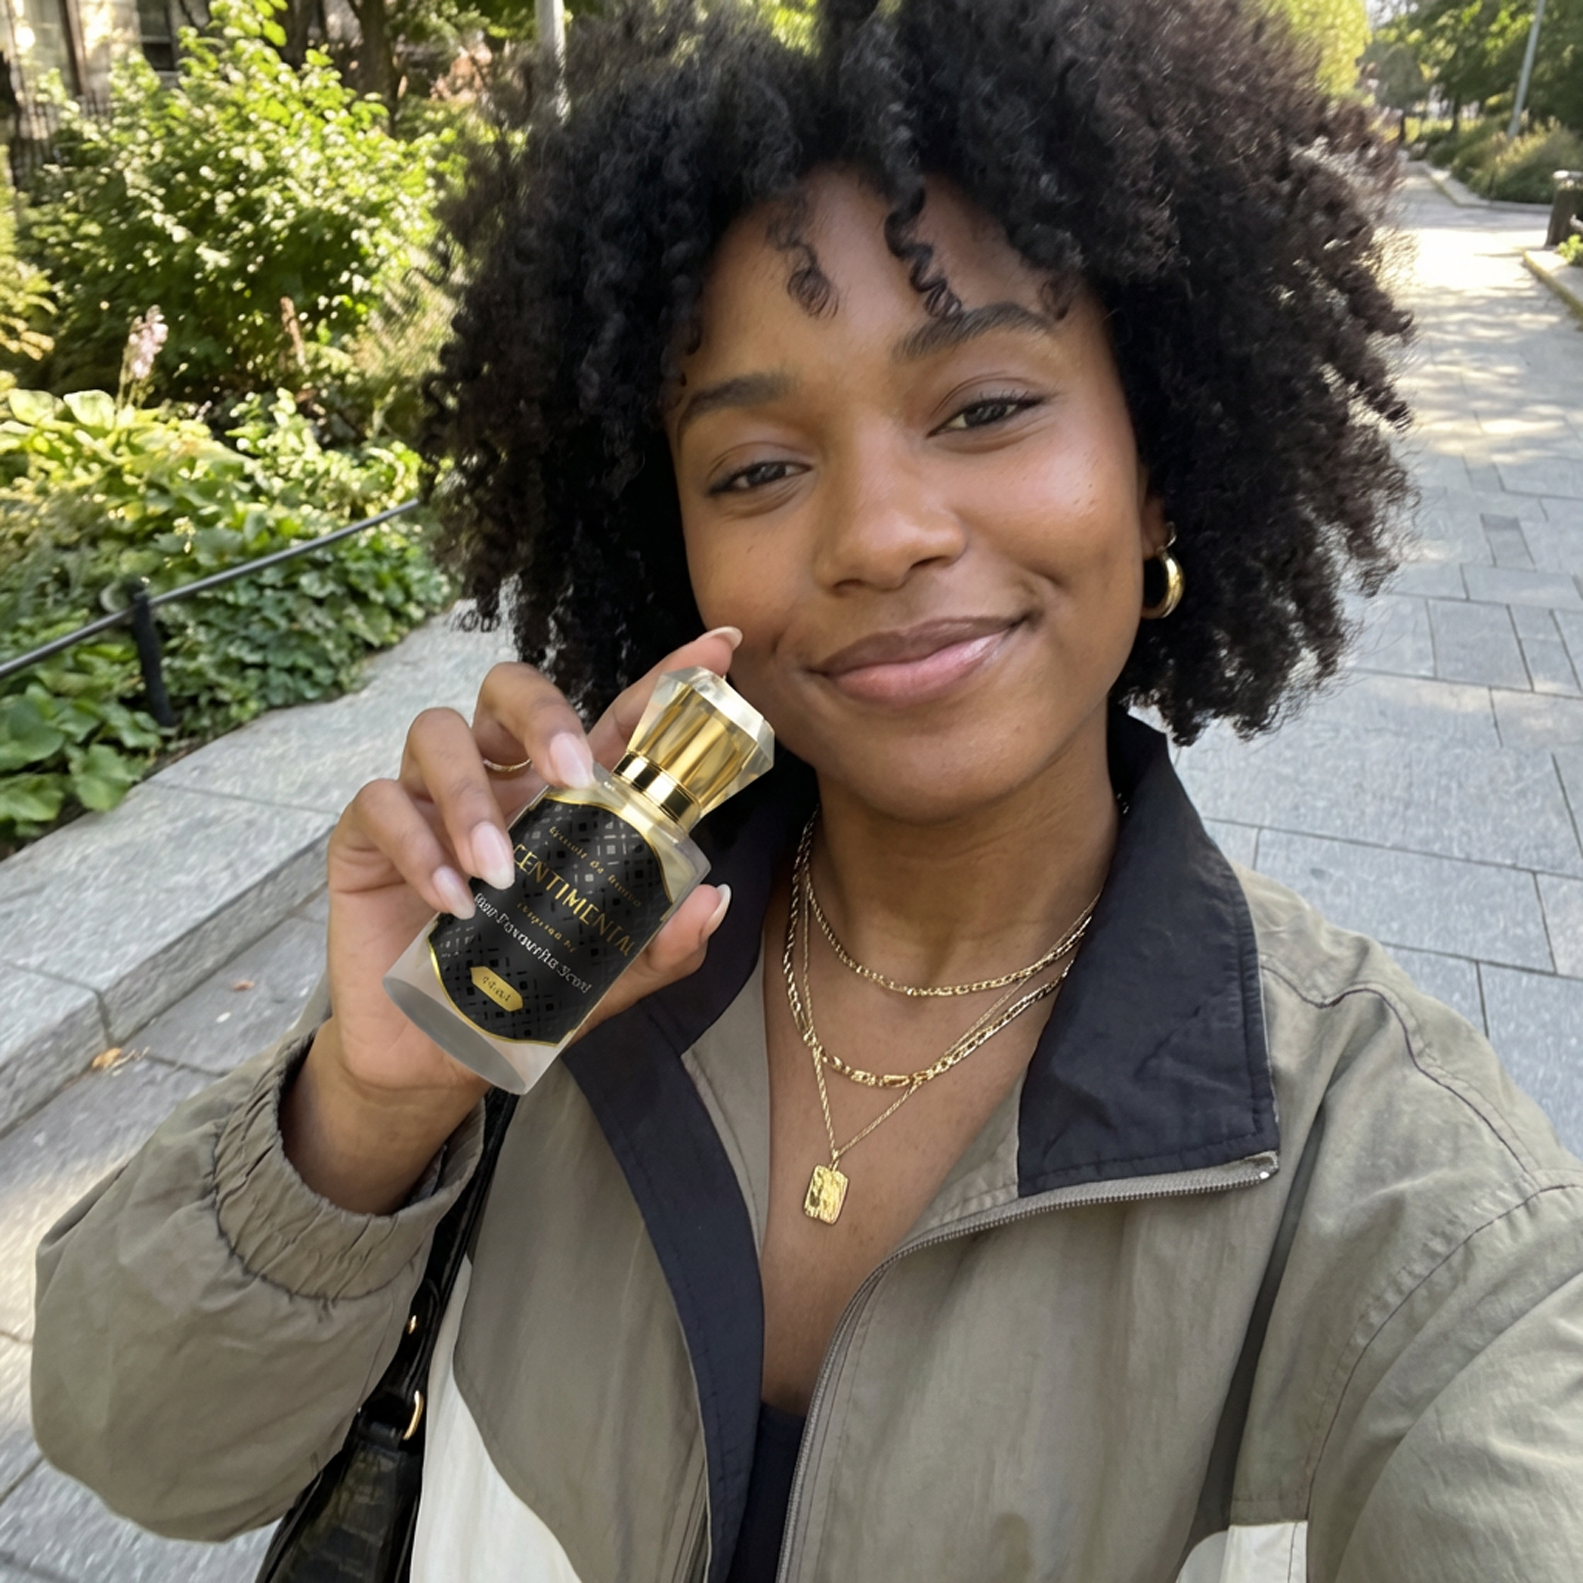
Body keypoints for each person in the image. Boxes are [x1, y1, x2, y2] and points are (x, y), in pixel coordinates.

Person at [30, 1, 1583, 1579]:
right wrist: (376, 1100)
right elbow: (137, 1445)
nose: (878, 534)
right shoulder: (543, 969)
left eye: (984, 407)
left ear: (1158, 466)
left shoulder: (1408, 1204)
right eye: (757, 468)